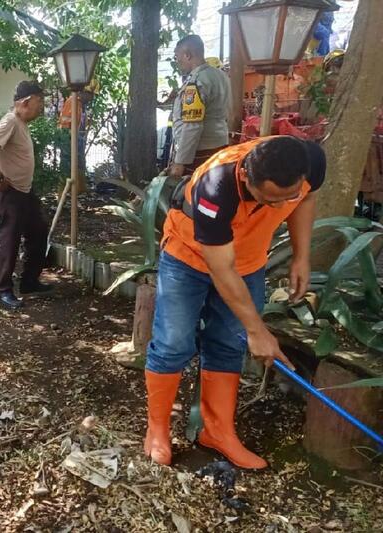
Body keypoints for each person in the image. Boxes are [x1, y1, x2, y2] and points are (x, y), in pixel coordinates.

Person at [144, 136, 326, 470]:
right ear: (246, 179)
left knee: (229, 344)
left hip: (249, 259)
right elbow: (221, 269)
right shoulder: (216, 186)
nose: (276, 207)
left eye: (285, 198)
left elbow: (307, 197)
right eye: (268, 200)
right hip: (190, 257)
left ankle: (217, 431)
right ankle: (157, 430)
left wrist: (301, 257)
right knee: (173, 343)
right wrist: (258, 331)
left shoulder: (309, 160)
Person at [0, 81, 52, 310]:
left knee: (38, 232)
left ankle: (29, 281)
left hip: (24, 191)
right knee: (10, 240)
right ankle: (2, 290)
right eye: (40, 101)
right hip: (11, 193)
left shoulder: (21, 122)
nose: (42, 107)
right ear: (25, 102)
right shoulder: (10, 121)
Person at [168, 35, 230, 179]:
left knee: (191, 196)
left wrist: (180, 162)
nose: (178, 62)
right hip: (219, 145)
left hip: (199, 152)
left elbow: (192, 125)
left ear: (187, 55)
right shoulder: (220, 76)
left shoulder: (197, 81)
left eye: (178, 57)